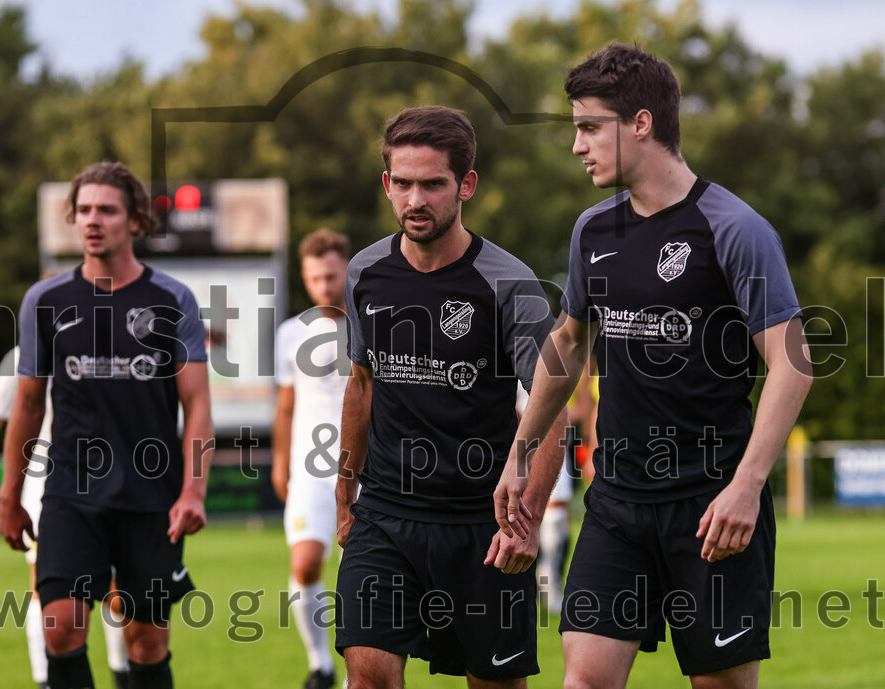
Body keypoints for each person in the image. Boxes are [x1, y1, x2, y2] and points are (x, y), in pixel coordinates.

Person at [494, 43, 813, 689]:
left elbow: (793, 361)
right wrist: (521, 450)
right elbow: (569, 345)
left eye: (588, 127)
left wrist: (747, 484)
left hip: (712, 500)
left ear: (640, 123)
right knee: (583, 677)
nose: (578, 145)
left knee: (719, 684)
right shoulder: (594, 229)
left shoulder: (734, 228)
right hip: (616, 500)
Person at [335, 105, 568, 689]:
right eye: (404, 183)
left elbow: (552, 414)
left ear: (466, 186)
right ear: (387, 184)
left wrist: (528, 521)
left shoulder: (509, 283)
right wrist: (344, 494)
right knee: (367, 678)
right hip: (385, 517)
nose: (416, 199)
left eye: (433, 184)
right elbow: (360, 384)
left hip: (482, 527)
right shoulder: (365, 272)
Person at [0, 161, 214, 689]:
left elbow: (198, 406)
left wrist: (193, 490)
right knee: (61, 626)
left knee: (145, 641)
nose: (94, 220)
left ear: (135, 219)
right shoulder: (44, 301)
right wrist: (10, 493)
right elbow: (26, 405)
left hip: (151, 498)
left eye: (108, 210)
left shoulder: (172, 300)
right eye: (85, 210)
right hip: (72, 492)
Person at [0, 345, 131, 689]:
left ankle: (123, 676)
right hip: (50, 488)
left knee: (119, 591)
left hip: (116, 487)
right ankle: (46, 682)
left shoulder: (118, 343)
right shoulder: (26, 354)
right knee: (47, 591)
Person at [272, 228, 351, 689]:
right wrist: (281, 462)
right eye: (315, 278)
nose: (324, 286)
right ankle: (320, 664)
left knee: (359, 576)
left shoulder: (373, 324)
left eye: (331, 276)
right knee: (304, 566)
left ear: (346, 272)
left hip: (364, 474)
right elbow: (285, 405)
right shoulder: (290, 334)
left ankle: (355, 672)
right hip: (309, 472)